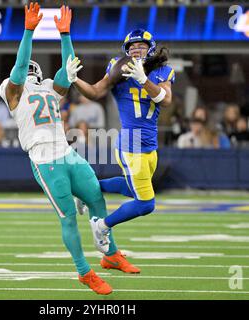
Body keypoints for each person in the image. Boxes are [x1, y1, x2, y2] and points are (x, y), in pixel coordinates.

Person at [0, 3, 137, 296]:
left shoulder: (49, 88)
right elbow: (20, 69)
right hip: (44, 159)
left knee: (96, 198)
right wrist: (28, 30)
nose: (32, 73)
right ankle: (84, 272)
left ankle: (110, 254)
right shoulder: (14, 93)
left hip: (67, 151)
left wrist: (64, 34)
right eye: (28, 70)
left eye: (35, 70)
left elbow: (68, 68)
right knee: (68, 218)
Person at [67, 29, 175, 252]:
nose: (136, 49)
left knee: (131, 187)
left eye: (141, 45)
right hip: (130, 143)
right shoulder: (118, 69)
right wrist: (75, 80)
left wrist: (143, 79)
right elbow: (96, 91)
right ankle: (102, 226)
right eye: (132, 46)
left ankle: (82, 191)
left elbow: (166, 100)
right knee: (146, 203)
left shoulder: (163, 71)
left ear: (151, 48)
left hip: (150, 144)